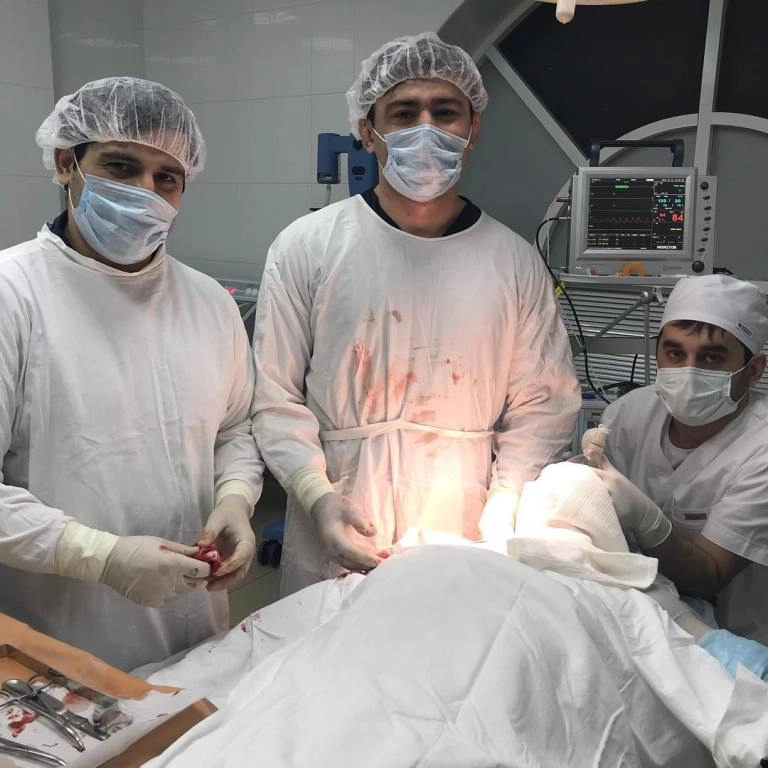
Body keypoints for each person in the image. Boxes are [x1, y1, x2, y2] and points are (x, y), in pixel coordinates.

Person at [252, 32, 581, 596]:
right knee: (330, 646)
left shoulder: (513, 262)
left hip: (465, 520)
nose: (426, 129)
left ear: (472, 130)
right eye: (404, 113)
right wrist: (316, 496)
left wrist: (504, 502)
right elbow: (274, 397)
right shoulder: (307, 247)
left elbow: (543, 405)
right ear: (368, 131)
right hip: (340, 514)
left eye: (445, 112)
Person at [0, 77, 264, 671]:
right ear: (66, 162)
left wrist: (236, 499)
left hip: (196, 631)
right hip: (56, 647)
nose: (145, 192)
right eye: (121, 167)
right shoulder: (12, 295)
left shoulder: (210, 303)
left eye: (166, 177)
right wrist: (101, 556)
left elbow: (234, 429)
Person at [582, 274, 768, 643]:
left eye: (711, 358)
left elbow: (710, 575)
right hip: (636, 618)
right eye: (675, 353)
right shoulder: (629, 414)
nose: (688, 371)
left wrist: (646, 519)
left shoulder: (759, 448)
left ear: (753, 371)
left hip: (732, 638)